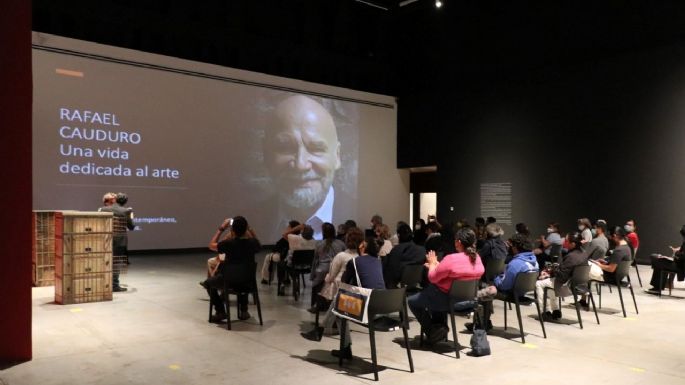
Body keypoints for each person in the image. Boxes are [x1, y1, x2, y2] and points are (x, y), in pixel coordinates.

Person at [263, 95, 351, 240]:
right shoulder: (253, 216)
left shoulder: (354, 218)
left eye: (316, 148)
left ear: (337, 156)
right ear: (266, 154)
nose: (300, 165)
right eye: (285, 147)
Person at [407, 228, 485, 346]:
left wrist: (433, 264)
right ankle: (439, 328)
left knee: (413, 301)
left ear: (458, 242)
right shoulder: (477, 258)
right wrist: (439, 266)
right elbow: (460, 273)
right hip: (469, 301)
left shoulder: (451, 258)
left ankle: (432, 331)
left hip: (448, 301)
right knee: (433, 295)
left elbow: (432, 277)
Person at [302, 227, 364, 340]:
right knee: (337, 306)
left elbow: (331, 276)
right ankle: (343, 345)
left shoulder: (341, 256)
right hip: (356, 292)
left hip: (342, 291)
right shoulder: (361, 258)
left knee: (330, 289)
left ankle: (320, 328)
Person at [331, 236, 386, 359]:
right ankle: (321, 327)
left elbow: (344, 283)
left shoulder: (354, 262)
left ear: (362, 247)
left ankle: (345, 349)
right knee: (338, 301)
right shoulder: (378, 261)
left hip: (367, 309)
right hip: (384, 306)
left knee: (339, 309)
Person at [202, 216, 261, 322]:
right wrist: (250, 229)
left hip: (228, 281)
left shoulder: (228, 244)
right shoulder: (253, 243)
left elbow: (211, 245)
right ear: (246, 228)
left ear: (232, 229)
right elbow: (258, 243)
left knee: (207, 283)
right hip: (248, 282)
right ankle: (244, 311)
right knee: (243, 277)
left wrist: (221, 228)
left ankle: (220, 311)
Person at [535, 232, 589, 321]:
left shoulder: (571, 256)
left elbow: (561, 277)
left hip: (567, 287)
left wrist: (551, 271)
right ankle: (555, 310)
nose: (564, 243)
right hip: (580, 285)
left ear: (573, 244)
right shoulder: (584, 253)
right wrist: (552, 272)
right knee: (550, 282)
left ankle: (545, 311)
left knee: (539, 283)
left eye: (567, 241)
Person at [98, 192, 134, 292]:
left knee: (103, 260)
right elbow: (131, 227)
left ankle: (102, 283)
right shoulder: (127, 211)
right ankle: (114, 285)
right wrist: (131, 215)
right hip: (119, 240)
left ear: (115, 199)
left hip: (105, 238)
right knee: (116, 263)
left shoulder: (102, 209)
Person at [309, 222, 345, 311]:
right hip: (336, 271)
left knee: (315, 285)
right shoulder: (341, 244)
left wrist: (312, 274)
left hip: (322, 270)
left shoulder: (319, 244)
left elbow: (315, 261)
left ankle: (315, 305)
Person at [383, 223, 426, 288]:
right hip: (416, 286)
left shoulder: (396, 250)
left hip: (396, 288)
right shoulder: (422, 250)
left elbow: (391, 272)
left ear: (398, 236)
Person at [646, 225, 685, 294]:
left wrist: (676, 254)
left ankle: (658, 288)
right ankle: (658, 287)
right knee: (656, 258)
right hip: (678, 263)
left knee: (658, 260)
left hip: (680, 267)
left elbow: (682, 256)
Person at [279, 223, 316, 295]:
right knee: (290, 264)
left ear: (302, 231)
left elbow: (284, 234)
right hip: (307, 267)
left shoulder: (295, 238)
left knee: (281, 264)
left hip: (293, 265)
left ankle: (282, 284)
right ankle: (294, 279)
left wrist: (296, 228)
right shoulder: (314, 241)